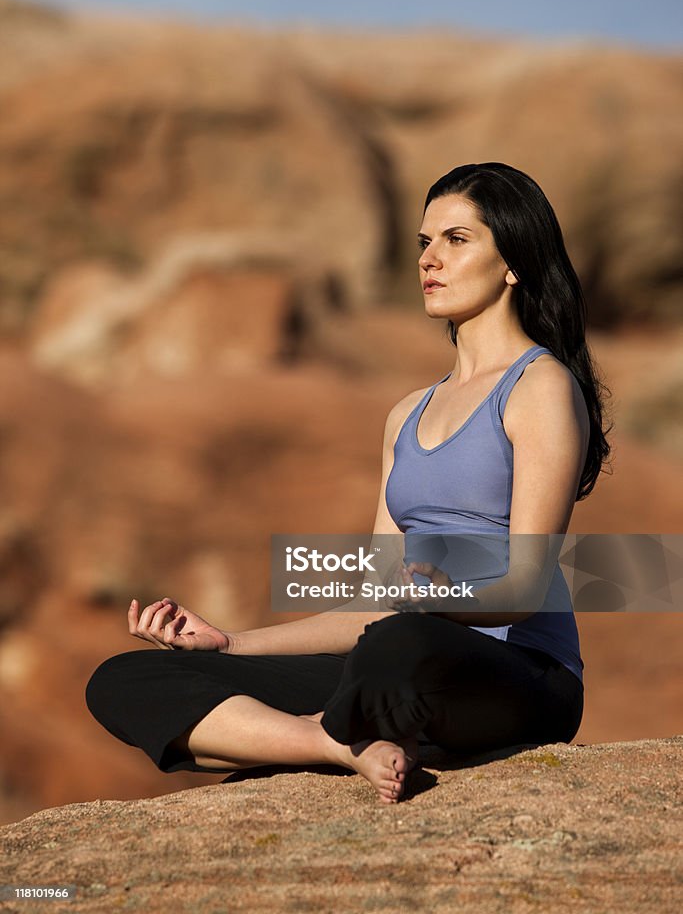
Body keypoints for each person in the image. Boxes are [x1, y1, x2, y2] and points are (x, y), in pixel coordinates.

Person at [85, 161, 612, 804]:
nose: (430, 260)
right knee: (125, 678)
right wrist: (231, 643)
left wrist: (439, 602)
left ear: (513, 261)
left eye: (456, 239)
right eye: (424, 243)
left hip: (519, 674)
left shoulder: (541, 387)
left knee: (399, 644)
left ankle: (332, 724)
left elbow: (526, 582)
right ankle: (331, 743)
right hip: (399, 657)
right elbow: (375, 599)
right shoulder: (406, 414)